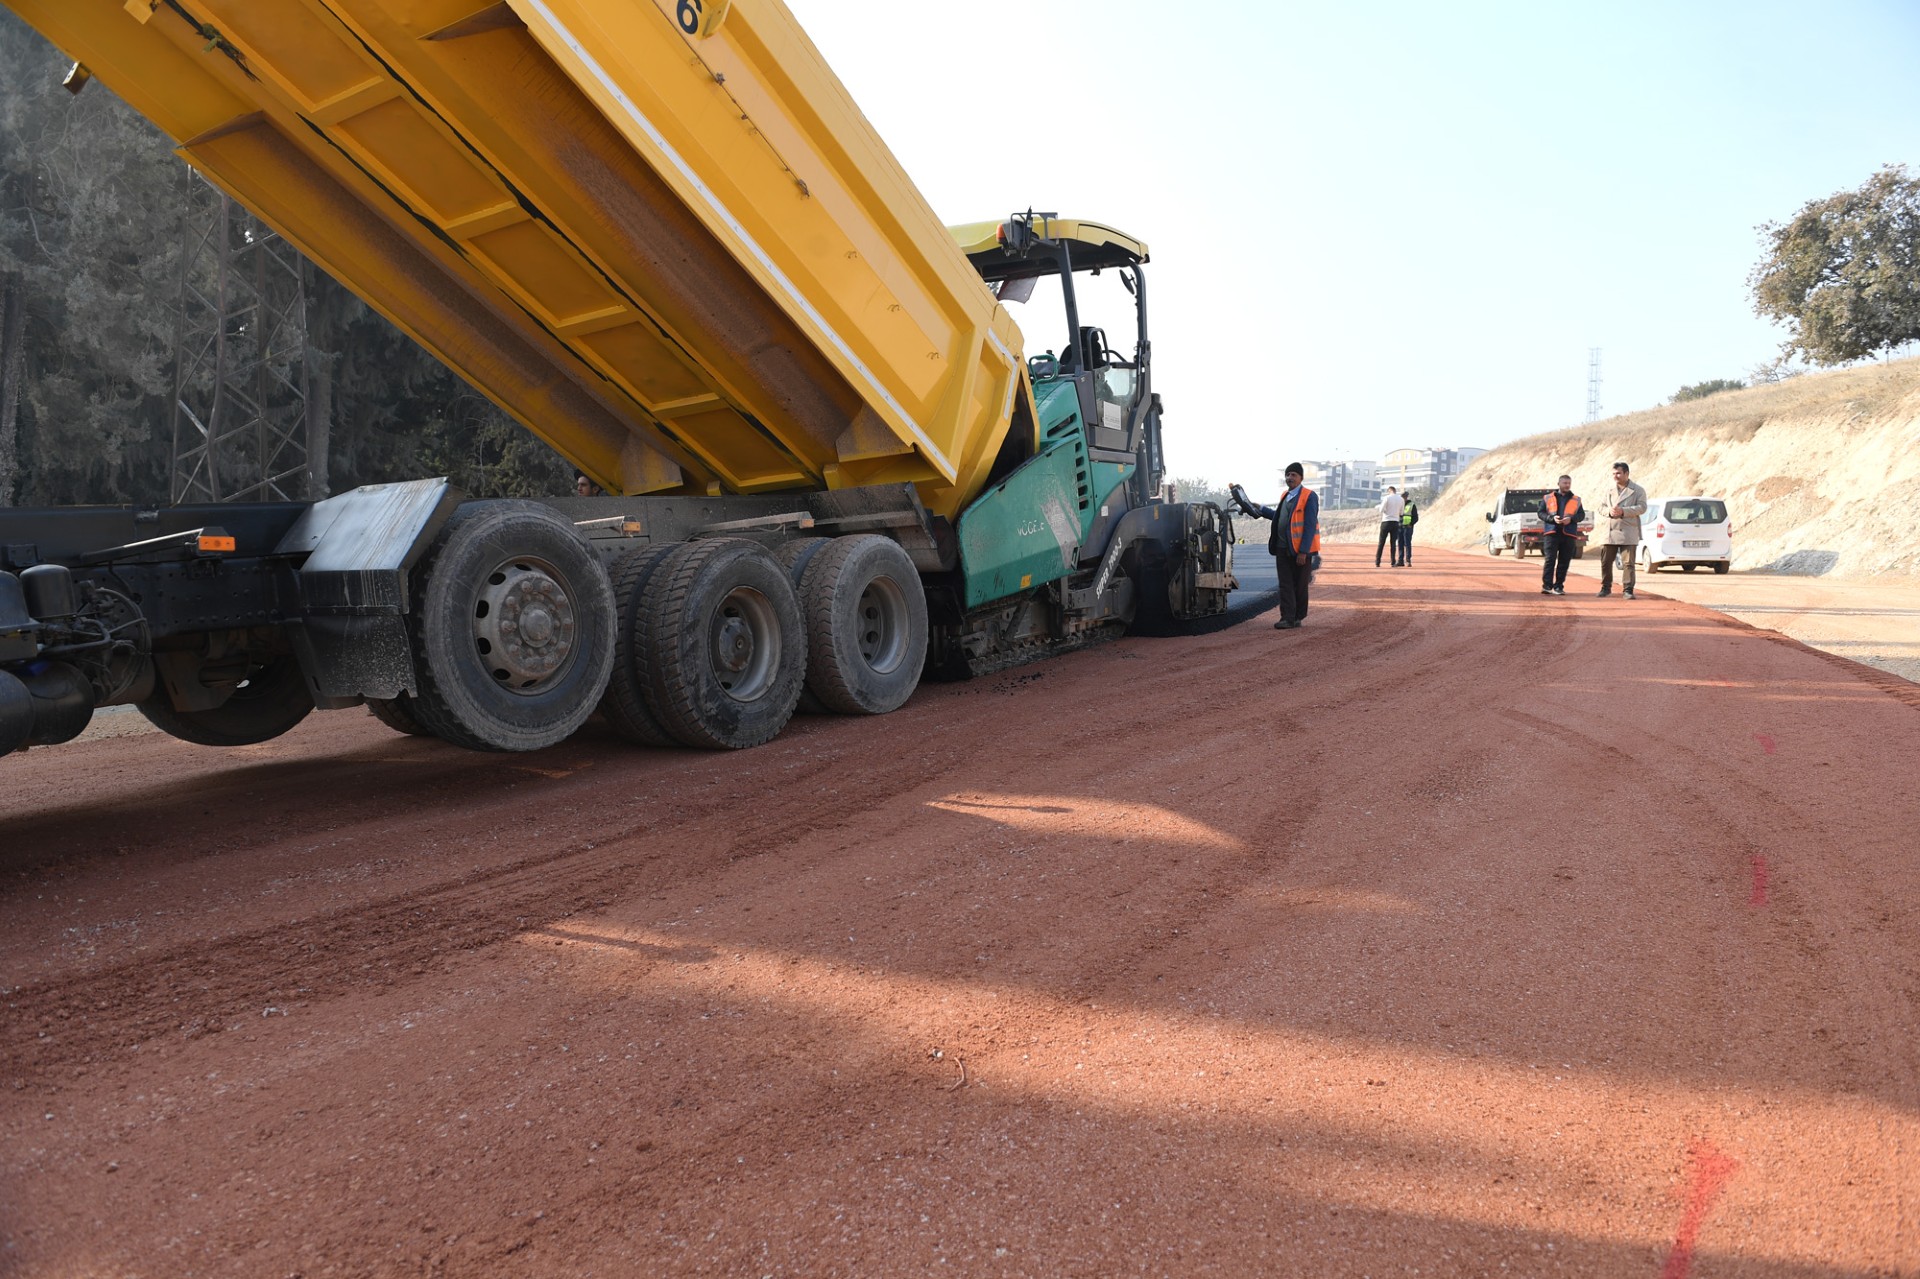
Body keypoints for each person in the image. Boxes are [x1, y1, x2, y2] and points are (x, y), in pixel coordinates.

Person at [1232, 463, 1321, 630]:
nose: (1290, 478)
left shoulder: (1309, 496)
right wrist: (1261, 509)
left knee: (1300, 585)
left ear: (1301, 477)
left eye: (1293, 475)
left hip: (1299, 550)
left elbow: (1309, 525)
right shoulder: (1284, 496)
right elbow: (1278, 516)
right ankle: (1287, 618)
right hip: (1282, 548)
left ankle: (1297, 617)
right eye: (1287, 475)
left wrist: (1303, 551)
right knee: (1285, 584)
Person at [1595, 460, 1648, 598]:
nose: (1615, 476)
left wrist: (1623, 511)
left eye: (1618, 473)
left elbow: (1642, 507)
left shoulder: (1638, 490)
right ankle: (1605, 587)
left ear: (1626, 473)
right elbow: (1600, 507)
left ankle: (1628, 590)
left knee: (1628, 563)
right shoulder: (1608, 491)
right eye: (1613, 473)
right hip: (1610, 531)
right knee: (1606, 562)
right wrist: (1609, 512)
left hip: (1628, 531)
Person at [1536, 474, 1582, 595]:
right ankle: (1547, 586)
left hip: (1568, 534)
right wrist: (1551, 518)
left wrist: (1571, 519)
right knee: (1550, 560)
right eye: (1565, 483)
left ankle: (1558, 586)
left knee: (1564, 561)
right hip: (1552, 533)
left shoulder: (1576, 499)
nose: (1567, 485)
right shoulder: (1547, 498)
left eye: (1569, 483)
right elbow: (1540, 513)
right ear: (1559, 484)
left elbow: (1581, 515)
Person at [1376, 485, 1404, 567]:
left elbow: (1381, 510)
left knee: (1381, 542)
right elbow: (1401, 513)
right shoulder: (1401, 499)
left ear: (1389, 491)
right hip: (1395, 522)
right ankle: (1392, 561)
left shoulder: (1387, 498)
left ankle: (1378, 561)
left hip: (1386, 521)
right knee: (1393, 543)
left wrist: (1386, 510)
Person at [1397, 493, 1419, 566]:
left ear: (1406, 497)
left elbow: (1416, 517)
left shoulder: (1412, 505)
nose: (1402, 499)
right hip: (1399, 527)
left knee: (1407, 544)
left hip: (1408, 528)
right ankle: (1400, 561)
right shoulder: (1399, 505)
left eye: (1404, 497)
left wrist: (1411, 524)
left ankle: (1408, 560)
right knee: (1400, 544)